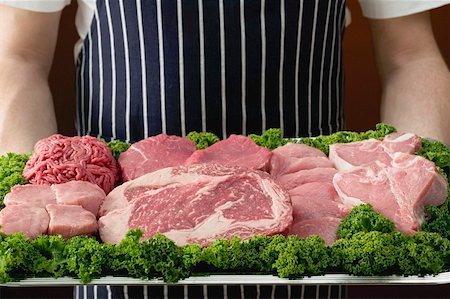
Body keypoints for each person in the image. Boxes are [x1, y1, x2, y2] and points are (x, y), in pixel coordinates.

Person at [0, 0, 450, 298]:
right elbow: (18, 55)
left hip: (303, 226)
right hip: (125, 238)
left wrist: (415, 191)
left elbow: (409, 55)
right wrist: (39, 205)